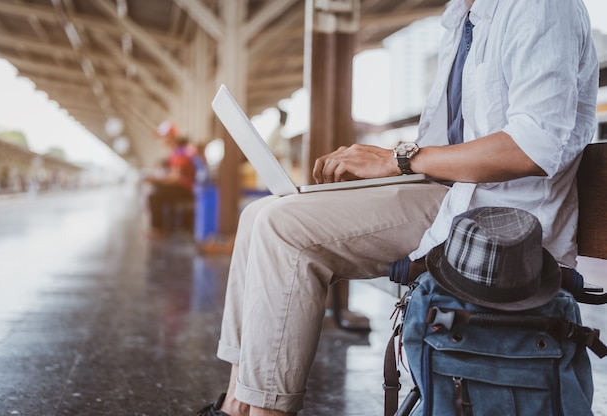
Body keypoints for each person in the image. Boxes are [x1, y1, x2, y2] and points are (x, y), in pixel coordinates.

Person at [198, 0, 599, 415]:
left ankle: (263, 410)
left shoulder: (541, 7)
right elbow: (448, 143)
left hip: (502, 221)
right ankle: (236, 404)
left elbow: (533, 146)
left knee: (283, 229)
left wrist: (398, 159)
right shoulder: (464, 15)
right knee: (258, 216)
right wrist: (381, 177)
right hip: (450, 196)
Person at [145, 121, 196, 238]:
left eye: (162, 137)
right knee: (158, 190)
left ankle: (158, 229)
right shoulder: (176, 152)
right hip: (184, 187)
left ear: (170, 137)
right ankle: (163, 227)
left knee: (156, 194)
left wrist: (155, 179)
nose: (160, 141)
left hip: (187, 189)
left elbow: (176, 178)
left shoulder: (180, 152)